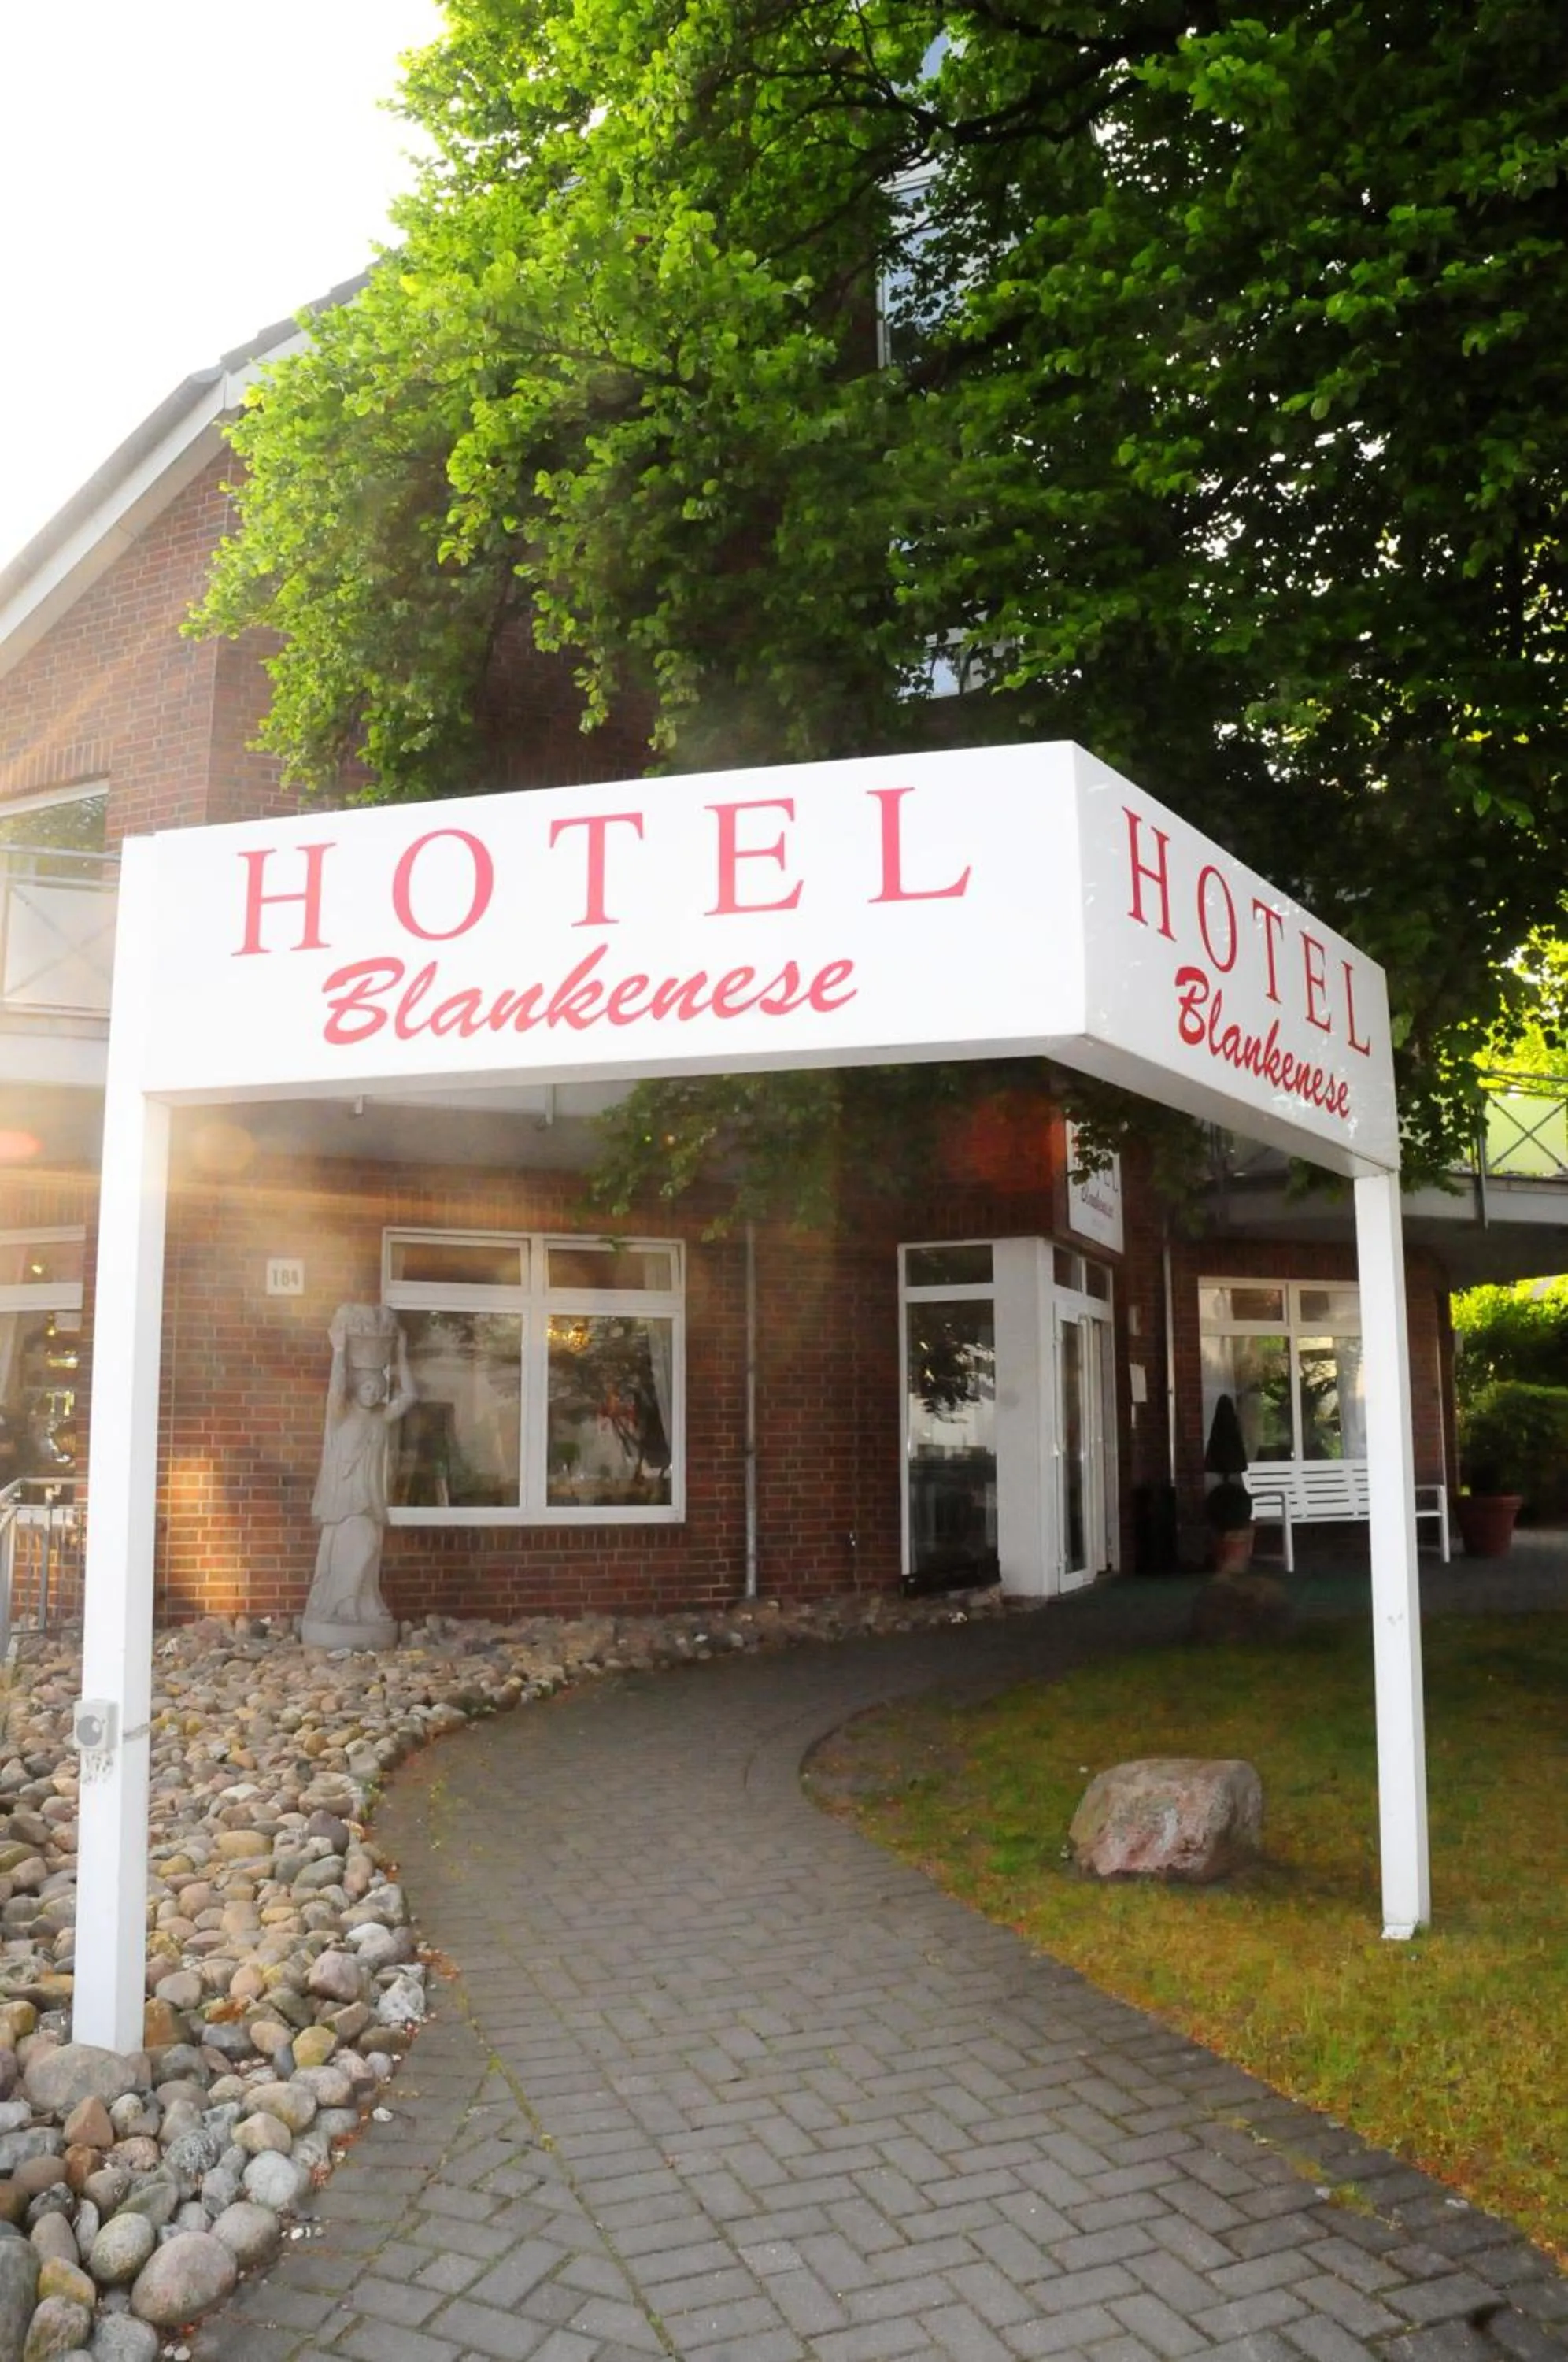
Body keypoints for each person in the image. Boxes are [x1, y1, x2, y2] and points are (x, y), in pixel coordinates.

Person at [303, 1305, 416, 1646]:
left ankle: (361, 1602)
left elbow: (410, 1395)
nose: (372, 1393)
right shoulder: (339, 1416)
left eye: (376, 1388)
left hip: (369, 1499)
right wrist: (339, 1351)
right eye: (366, 1387)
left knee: (370, 1550)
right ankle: (344, 1604)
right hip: (344, 1501)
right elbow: (335, 1390)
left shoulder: (381, 1417)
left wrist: (400, 1354)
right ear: (357, 1388)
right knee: (362, 1546)